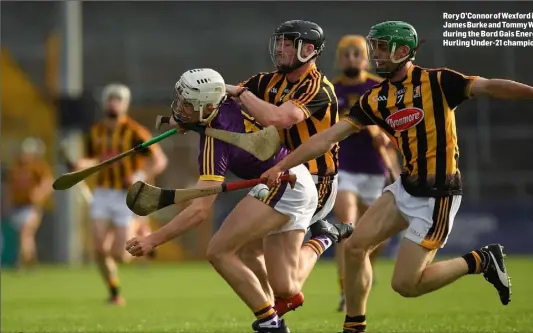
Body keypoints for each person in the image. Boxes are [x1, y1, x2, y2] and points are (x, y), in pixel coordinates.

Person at [261, 21, 533, 333]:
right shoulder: (375, 97)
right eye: (375, 48)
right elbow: (327, 138)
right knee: (355, 247)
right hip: (405, 186)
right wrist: (283, 165)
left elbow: (490, 86)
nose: (376, 56)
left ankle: (480, 260)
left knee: (406, 285)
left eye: (382, 48)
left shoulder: (438, 81)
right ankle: (354, 325)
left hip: (438, 195)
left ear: (403, 50)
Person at [125, 68, 353, 333]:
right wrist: (191, 121)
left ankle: (270, 323)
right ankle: (324, 237)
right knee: (286, 288)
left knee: (219, 251)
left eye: (187, 104)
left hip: (284, 184)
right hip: (294, 182)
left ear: (207, 105)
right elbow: (218, 108)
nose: (179, 107)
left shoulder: (214, 138)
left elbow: (199, 210)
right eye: (180, 100)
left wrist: (153, 239)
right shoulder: (231, 105)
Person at [222, 19, 341, 319]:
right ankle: (273, 309)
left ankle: (323, 238)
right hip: (280, 177)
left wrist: (240, 94)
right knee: (249, 252)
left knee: (285, 283)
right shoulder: (268, 81)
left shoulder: (317, 87)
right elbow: (226, 96)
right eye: (280, 42)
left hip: (315, 181)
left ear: (309, 50)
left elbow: (280, 118)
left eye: (289, 43)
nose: (280, 48)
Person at [77, 83, 168, 305]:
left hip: (126, 196)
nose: (113, 102)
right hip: (102, 193)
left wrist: (139, 173)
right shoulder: (96, 131)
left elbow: (159, 161)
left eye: (118, 99)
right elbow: (91, 158)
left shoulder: (135, 132)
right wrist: (79, 164)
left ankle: (139, 226)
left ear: (125, 104)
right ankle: (115, 292)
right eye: (110, 98)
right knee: (98, 249)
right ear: (104, 102)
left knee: (122, 255)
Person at [331, 34, 402, 312]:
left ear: (365, 57)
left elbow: (399, 124)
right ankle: (345, 290)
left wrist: (385, 134)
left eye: (356, 54)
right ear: (339, 58)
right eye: (346, 54)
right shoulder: (331, 89)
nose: (351, 59)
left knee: (378, 237)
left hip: (376, 170)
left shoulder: (379, 86)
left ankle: (362, 274)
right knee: (347, 225)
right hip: (343, 167)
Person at [5, 137, 53, 270]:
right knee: (25, 235)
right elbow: (11, 187)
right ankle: (31, 262)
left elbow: (48, 183)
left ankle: (20, 263)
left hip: (31, 207)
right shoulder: (16, 167)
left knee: (26, 233)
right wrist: (7, 203)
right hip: (17, 206)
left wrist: (39, 194)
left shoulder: (39, 167)